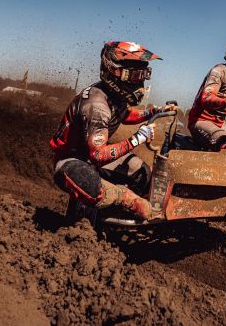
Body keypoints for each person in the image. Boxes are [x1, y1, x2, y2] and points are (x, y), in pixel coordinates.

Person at [50, 41, 174, 221]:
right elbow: (98, 156)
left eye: (144, 74)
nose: (140, 82)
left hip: (92, 157)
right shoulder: (97, 105)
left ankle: (112, 215)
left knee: (143, 174)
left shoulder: (114, 96)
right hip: (71, 160)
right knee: (91, 186)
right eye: (135, 75)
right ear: (114, 72)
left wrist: (154, 111)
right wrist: (137, 138)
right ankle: (117, 203)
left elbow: (126, 115)